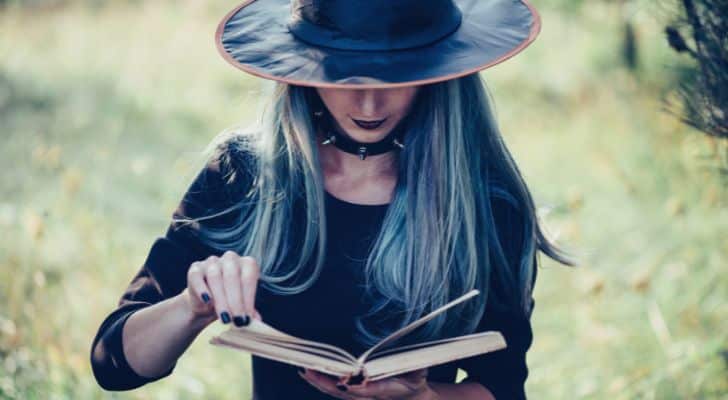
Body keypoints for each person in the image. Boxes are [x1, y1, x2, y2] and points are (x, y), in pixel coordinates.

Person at [90, 0, 573, 399]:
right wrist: (191, 306)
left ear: (438, 71)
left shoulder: (486, 202)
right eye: (344, 74)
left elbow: (504, 387)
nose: (368, 105)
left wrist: (421, 398)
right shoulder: (241, 174)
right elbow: (114, 363)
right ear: (305, 64)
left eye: (394, 75)